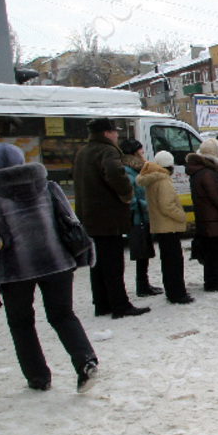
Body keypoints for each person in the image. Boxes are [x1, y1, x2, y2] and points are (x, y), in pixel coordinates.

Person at [0, 142, 99, 393]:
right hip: (57, 262)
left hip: (16, 270)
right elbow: (69, 221)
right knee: (63, 315)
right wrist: (81, 254)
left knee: (21, 324)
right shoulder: (47, 186)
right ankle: (86, 361)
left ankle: (38, 377)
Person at [73, 118, 149, 319]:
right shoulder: (107, 151)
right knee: (113, 263)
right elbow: (116, 174)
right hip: (108, 216)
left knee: (97, 263)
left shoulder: (83, 152)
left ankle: (102, 303)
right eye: (114, 131)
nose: (117, 135)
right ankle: (120, 305)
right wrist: (126, 194)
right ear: (107, 133)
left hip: (89, 216)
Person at [137, 151, 193, 305]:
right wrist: (182, 216)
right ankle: (177, 293)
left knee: (167, 261)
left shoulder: (152, 179)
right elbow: (166, 205)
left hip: (159, 226)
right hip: (169, 226)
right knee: (174, 262)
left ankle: (172, 291)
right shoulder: (163, 181)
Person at [186, 138, 218, 291]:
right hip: (213, 218)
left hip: (209, 218)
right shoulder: (207, 174)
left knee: (217, 249)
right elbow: (217, 196)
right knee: (213, 252)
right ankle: (212, 282)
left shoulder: (201, 171)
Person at [119, 139, 162, 298]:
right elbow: (129, 195)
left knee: (145, 252)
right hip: (138, 217)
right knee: (141, 252)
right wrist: (146, 204)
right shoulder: (128, 170)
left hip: (143, 215)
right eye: (141, 152)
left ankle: (144, 284)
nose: (143, 154)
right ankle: (142, 286)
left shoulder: (137, 169)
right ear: (134, 153)